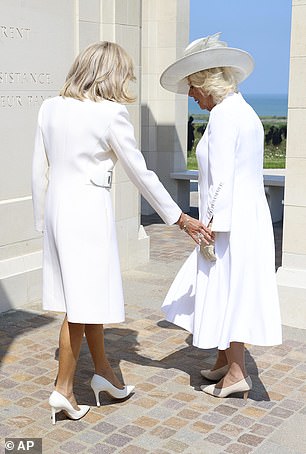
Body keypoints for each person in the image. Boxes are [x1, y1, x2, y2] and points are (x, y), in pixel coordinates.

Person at [32, 41, 211, 424]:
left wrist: (41, 222)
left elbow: (38, 170)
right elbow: (140, 173)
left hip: (56, 213)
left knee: (84, 298)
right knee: (78, 308)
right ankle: (63, 389)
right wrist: (179, 217)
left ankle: (106, 376)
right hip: (88, 216)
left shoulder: (50, 107)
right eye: (125, 72)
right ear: (111, 74)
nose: (127, 79)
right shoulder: (111, 114)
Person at [160, 33, 282, 399]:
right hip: (244, 216)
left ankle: (237, 373)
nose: (190, 95)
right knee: (227, 288)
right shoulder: (239, 110)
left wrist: (210, 226)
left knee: (231, 291)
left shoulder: (227, 115)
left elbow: (223, 178)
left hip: (231, 221)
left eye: (191, 88)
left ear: (204, 82)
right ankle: (224, 361)